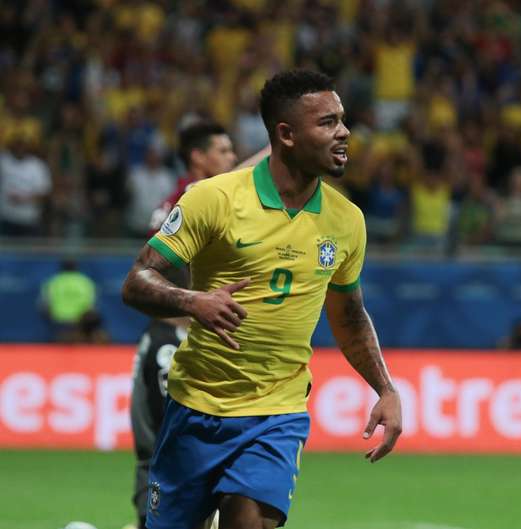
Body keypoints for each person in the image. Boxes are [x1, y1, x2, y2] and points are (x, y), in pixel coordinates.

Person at [122, 70, 402, 529]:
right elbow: (137, 281)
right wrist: (193, 301)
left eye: (342, 120)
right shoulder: (212, 199)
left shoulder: (347, 220)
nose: (344, 131)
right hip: (196, 407)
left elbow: (349, 316)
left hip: (276, 415)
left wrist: (386, 388)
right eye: (327, 122)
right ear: (286, 135)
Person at [130, 121, 267, 529]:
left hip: (184, 336)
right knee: (170, 468)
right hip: (172, 340)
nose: (231, 158)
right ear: (198, 158)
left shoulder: (200, 200)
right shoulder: (192, 196)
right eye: (223, 151)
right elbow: (244, 175)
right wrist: (280, 151)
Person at [39, 259, 99, 342]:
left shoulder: (53, 282)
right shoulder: (85, 282)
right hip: (80, 320)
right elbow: (91, 305)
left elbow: (45, 303)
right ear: (77, 268)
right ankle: (84, 338)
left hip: (57, 318)